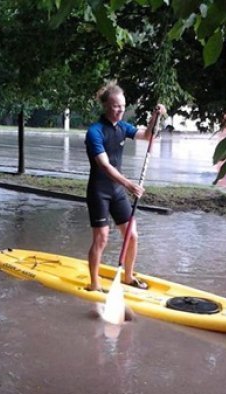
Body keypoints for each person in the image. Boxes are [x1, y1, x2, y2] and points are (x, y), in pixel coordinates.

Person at [85, 81, 166, 292]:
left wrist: (155, 118)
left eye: (122, 106)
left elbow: (148, 136)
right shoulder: (95, 132)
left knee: (132, 235)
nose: (120, 110)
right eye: (116, 106)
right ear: (106, 106)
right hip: (99, 192)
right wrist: (129, 184)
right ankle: (94, 284)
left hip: (117, 191)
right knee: (101, 238)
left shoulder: (123, 127)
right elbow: (104, 166)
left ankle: (128, 277)